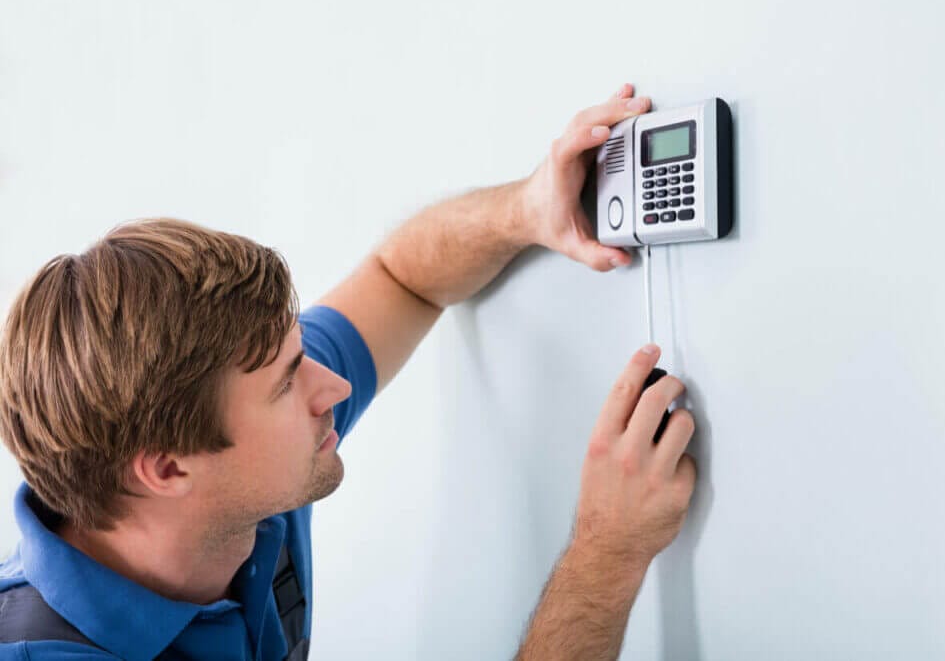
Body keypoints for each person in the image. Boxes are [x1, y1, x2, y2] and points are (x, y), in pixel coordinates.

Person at [0, 84, 697, 661]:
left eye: (297, 355)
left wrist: (528, 208)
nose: (332, 387)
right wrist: (608, 552)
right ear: (168, 469)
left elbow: (400, 278)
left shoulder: (237, 478)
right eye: (286, 385)